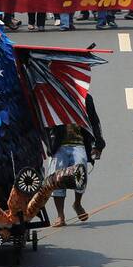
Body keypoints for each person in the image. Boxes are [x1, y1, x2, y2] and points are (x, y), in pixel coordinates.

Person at [44, 95, 104, 226]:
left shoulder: (85, 98)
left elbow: (94, 121)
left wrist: (98, 144)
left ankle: (77, 203)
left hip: (78, 143)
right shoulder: (51, 93)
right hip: (58, 144)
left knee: (80, 173)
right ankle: (60, 215)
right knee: (56, 178)